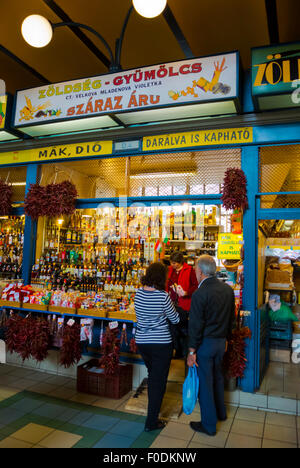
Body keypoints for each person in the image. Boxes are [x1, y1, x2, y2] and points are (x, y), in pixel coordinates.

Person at [187, 255, 235, 436]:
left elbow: (196, 325)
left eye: (195, 270)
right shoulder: (227, 290)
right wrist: (227, 340)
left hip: (205, 345)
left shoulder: (200, 293)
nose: (195, 273)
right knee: (218, 378)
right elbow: (231, 319)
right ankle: (221, 413)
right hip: (220, 342)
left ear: (200, 271)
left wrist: (192, 350)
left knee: (205, 384)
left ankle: (208, 424)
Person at [134, 262, 179, 432]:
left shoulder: (138, 294)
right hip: (161, 343)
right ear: (162, 277)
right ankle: (151, 422)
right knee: (157, 382)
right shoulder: (163, 296)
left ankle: (151, 417)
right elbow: (174, 319)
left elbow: (140, 316)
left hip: (142, 342)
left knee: (153, 375)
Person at [166, 252, 198, 358]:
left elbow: (195, 286)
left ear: (180, 262)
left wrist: (186, 292)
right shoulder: (170, 270)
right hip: (171, 302)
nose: (173, 265)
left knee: (183, 329)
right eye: (171, 263)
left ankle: (184, 352)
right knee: (173, 328)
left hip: (184, 304)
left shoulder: (189, 270)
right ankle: (177, 350)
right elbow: (167, 283)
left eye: (175, 263)